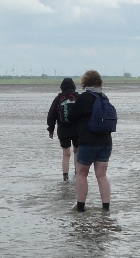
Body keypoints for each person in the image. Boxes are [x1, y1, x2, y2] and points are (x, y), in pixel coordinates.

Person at [69, 70, 113, 211]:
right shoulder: (104, 98)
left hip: (88, 141)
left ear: (85, 82)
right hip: (106, 141)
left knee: (82, 173)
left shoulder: (84, 98)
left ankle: (81, 206)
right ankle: (106, 207)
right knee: (102, 175)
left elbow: (71, 116)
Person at [46, 77, 79, 181]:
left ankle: (65, 176)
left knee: (66, 153)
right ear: (74, 86)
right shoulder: (78, 97)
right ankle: (77, 174)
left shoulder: (58, 98)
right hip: (77, 129)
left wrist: (50, 129)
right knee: (77, 151)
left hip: (63, 130)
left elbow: (51, 115)